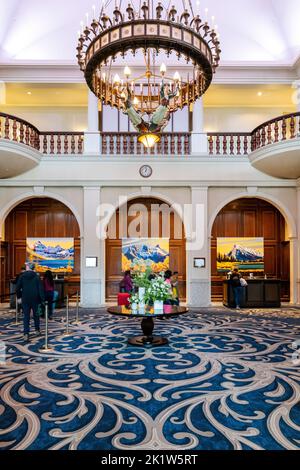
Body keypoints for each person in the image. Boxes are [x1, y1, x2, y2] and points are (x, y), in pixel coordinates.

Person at [16, 263, 44, 342]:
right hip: (35, 299)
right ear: (34, 268)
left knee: (26, 316)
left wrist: (19, 297)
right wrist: (42, 300)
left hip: (25, 298)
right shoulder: (37, 277)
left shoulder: (22, 276)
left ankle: (26, 333)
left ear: (28, 268)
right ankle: (37, 330)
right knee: (36, 315)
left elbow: (17, 288)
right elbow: (40, 289)